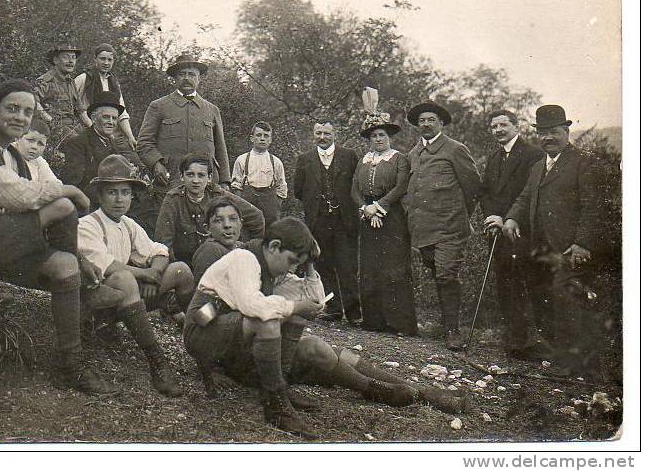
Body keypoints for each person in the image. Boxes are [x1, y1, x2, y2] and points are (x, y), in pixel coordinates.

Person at [184, 217, 465, 438]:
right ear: (273, 247)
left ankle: (395, 389)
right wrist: (295, 307)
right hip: (207, 338)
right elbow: (253, 306)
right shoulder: (244, 259)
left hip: (241, 347)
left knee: (316, 346)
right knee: (268, 317)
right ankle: (276, 404)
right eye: (293, 261)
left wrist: (309, 268)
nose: (291, 269)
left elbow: (313, 300)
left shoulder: (273, 266)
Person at [0, 78, 118, 394]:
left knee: (64, 266)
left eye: (27, 112)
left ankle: (72, 363)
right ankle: (87, 291)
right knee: (63, 206)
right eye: (12, 108)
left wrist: (77, 255)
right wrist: (69, 189)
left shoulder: (10, 153)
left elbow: (19, 206)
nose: (20, 117)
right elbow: (21, 199)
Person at [503, 105, 606, 377]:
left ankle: (578, 363)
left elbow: (593, 206)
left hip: (571, 248)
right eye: (543, 133)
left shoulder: (584, 162)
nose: (548, 138)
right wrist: (512, 218)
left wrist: (583, 242)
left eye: (554, 132)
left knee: (568, 301)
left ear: (566, 132)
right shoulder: (538, 166)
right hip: (542, 249)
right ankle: (558, 354)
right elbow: (526, 198)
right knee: (543, 299)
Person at [76, 154, 190, 397]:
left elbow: (159, 250)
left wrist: (155, 273)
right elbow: (106, 266)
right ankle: (157, 362)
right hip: (94, 296)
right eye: (112, 192)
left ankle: (197, 343)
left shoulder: (128, 224)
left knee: (181, 270)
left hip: (128, 291)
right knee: (126, 278)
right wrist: (144, 275)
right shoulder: (88, 224)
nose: (120, 199)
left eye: (125, 192)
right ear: (100, 195)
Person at [404, 101, 482, 350]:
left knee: (447, 274)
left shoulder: (455, 149)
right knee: (438, 273)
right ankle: (445, 323)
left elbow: (472, 188)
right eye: (422, 121)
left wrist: (460, 217)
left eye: (431, 120)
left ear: (441, 123)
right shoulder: (414, 153)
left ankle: (452, 331)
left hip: (450, 228)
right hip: (423, 229)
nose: (426, 124)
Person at [479, 109, 548, 359]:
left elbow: (530, 195)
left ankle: (538, 343)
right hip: (498, 231)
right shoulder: (494, 157)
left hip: (522, 231)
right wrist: (492, 217)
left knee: (529, 284)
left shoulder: (533, 155)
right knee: (505, 285)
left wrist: (508, 217)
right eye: (494, 126)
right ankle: (515, 341)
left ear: (516, 126)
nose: (498, 130)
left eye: (503, 125)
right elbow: (486, 192)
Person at [350, 88, 417, 335]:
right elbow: (354, 189)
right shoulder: (364, 160)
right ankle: (374, 321)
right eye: (374, 136)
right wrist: (366, 208)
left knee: (394, 266)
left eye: (382, 135)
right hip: (367, 217)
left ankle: (399, 323)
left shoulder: (399, 158)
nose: (378, 139)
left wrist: (380, 207)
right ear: (369, 139)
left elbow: (401, 186)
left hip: (393, 218)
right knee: (370, 266)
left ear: (389, 136)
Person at [293, 120, 361, 324]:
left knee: (347, 266)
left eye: (327, 133)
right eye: (318, 133)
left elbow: (357, 186)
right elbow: (298, 190)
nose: (322, 137)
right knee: (324, 264)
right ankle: (333, 309)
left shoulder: (349, 156)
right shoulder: (305, 159)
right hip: (318, 220)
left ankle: (354, 312)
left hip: (344, 220)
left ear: (334, 134)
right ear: (313, 134)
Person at [137, 54, 230, 193]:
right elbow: (144, 143)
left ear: (199, 78)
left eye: (192, 74)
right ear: (174, 78)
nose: (187, 78)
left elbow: (221, 149)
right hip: (170, 181)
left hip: (207, 184)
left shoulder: (212, 110)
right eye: (182, 74)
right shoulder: (158, 106)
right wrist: (156, 164)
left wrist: (224, 181)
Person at [155, 153, 265, 266]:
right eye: (190, 175)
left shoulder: (218, 195)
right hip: (186, 266)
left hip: (219, 262)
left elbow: (256, 216)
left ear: (209, 178)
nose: (196, 180)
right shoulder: (173, 200)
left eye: (201, 175)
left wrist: (246, 252)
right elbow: (163, 242)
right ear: (182, 177)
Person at [74, 44, 137, 150]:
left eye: (110, 60)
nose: (106, 63)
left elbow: (122, 113)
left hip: (111, 130)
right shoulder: (83, 78)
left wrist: (130, 137)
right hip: (87, 128)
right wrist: (93, 129)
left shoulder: (114, 83)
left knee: (132, 158)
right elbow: (75, 106)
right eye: (102, 59)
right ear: (95, 59)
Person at [230, 121, 288, 227]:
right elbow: (236, 186)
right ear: (252, 138)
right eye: (259, 135)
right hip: (248, 203)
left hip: (269, 205)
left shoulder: (276, 162)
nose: (262, 138)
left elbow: (281, 187)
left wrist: (275, 205)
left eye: (266, 136)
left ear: (270, 140)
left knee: (270, 232)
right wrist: (241, 205)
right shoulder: (242, 159)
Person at [33, 43, 83, 143]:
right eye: (66, 57)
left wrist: (93, 128)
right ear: (55, 60)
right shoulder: (46, 80)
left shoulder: (71, 81)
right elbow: (34, 102)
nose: (70, 61)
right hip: (55, 128)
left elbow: (80, 110)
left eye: (73, 58)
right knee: (78, 143)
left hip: (72, 126)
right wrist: (51, 121)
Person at [13, 117, 61, 183]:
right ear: (17, 138)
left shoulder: (38, 160)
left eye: (40, 144)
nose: (35, 147)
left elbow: (55, 184)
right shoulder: (8, 154)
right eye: (30, 140)